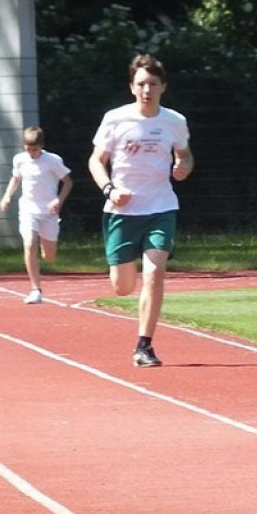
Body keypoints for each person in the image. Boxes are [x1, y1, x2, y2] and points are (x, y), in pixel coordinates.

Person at [88, 54, 194, 368]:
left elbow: (185, 155)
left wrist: (183, 166)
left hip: (161, 206)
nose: (147, 90)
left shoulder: (174, 121)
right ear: (132, 87)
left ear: (163, 87)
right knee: (123, 287)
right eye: (142, 84)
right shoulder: (115, 119)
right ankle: (124, 265)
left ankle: (144, 346)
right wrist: (110, 189)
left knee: (154, 273)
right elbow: (96, 161)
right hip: (122, 210)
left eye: (153, 84)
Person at [0, 126, 73, 303]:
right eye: (28, 149)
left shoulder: (53, 160)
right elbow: (16, 179)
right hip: (28, 209)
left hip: (48, 212)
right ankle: (35, 289)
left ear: (42, 146)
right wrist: (7, 197)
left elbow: (68, 182)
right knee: (29, 244)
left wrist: (58, 201)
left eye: (35, 149)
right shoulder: (20, 160)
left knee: (49, 257)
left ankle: (44, 245)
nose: (31, 153)